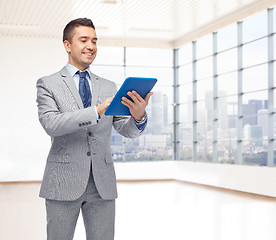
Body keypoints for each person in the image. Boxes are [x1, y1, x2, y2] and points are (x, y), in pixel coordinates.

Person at [36, 18, 153, 240]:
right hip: (63, 181)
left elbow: (125, 129)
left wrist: (138, 116)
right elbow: (51, 124)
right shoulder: (48, 83)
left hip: (102, 183)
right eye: (84, 40)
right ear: (67, 45)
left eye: (94, 40)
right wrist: (95, 111)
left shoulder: (109, 86)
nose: (91, 46)